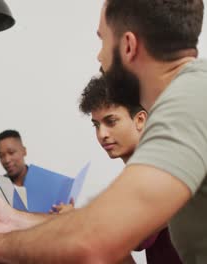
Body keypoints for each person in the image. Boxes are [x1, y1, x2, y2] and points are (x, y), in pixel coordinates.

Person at [0, 0, 207, 263]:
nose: (99, 56)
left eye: (102, 40)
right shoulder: (191, 95)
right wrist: (15, 219)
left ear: (128, 46)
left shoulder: (189, 102)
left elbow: (96, 237)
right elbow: (105, 227)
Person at [79, 76, 181, 263]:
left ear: (140, 120)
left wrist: (74, 221)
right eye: (97, 125)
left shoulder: (165, 168)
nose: (102, 134)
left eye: (111, 121)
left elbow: (128, 236)